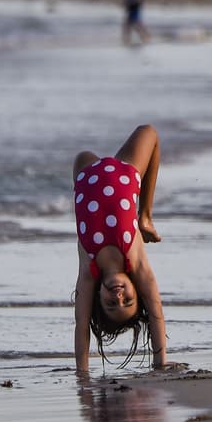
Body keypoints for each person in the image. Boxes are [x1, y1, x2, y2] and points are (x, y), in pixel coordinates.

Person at [72, 125, 170, 375]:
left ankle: (143, 214)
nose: (118, 297)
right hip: (126, 172)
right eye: (128, 300)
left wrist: (82, 373)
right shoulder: (134, 261)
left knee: (83, 154)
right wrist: (161, 363)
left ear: (100, 302)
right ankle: (145, 216)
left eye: (111, 304)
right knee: (150, 132)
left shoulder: (88, 270)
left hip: (85, 173)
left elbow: (82, 324)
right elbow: (155, 308)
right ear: (137, 290)